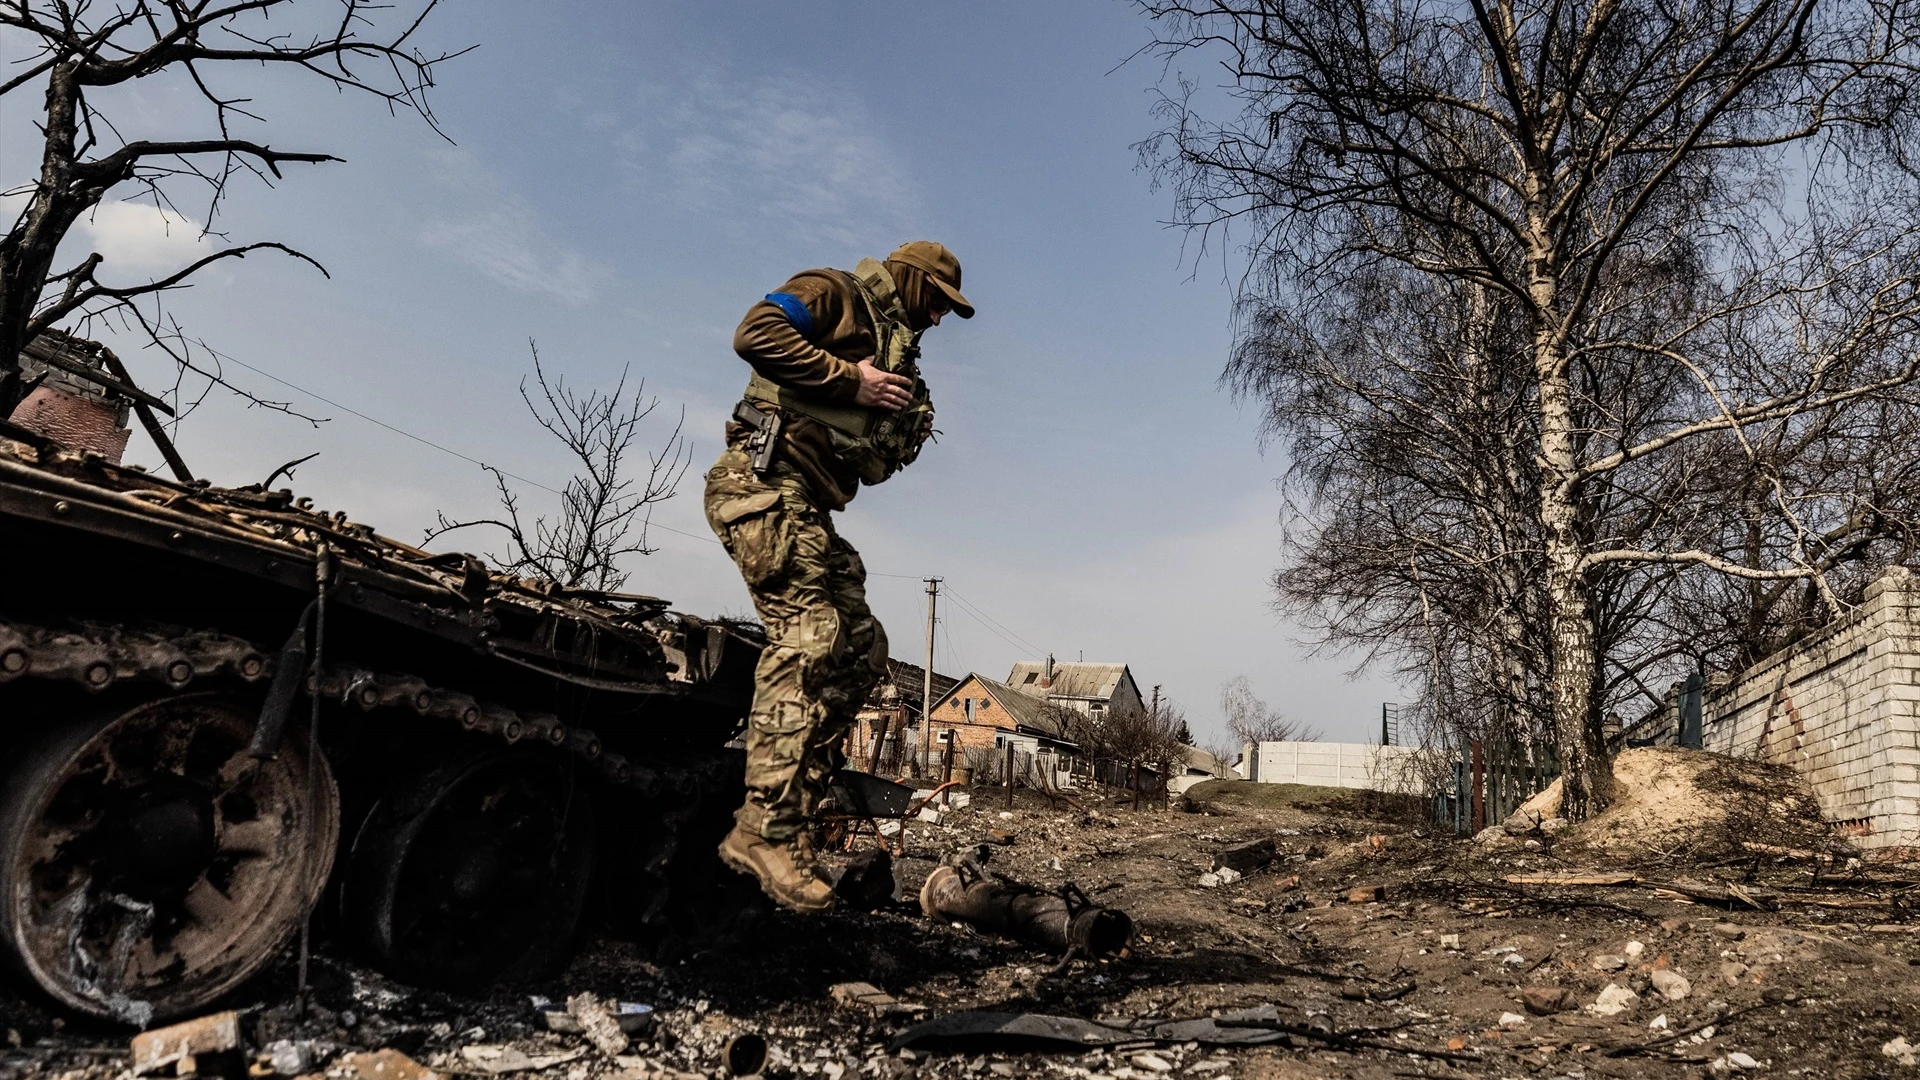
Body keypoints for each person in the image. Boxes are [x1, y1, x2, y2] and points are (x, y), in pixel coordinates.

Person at [705, 241, 974, 912]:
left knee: (861, 649)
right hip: (758, 483)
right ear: (911, 281)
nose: (939, 319)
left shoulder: (895, 352)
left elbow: (867, 457)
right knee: (813, 634)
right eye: (938, 301)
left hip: (807, 507)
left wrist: (894, 423)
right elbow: (754, 333)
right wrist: (854, 383)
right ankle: (761, 828)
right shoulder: (833, 293)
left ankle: (794, 810)